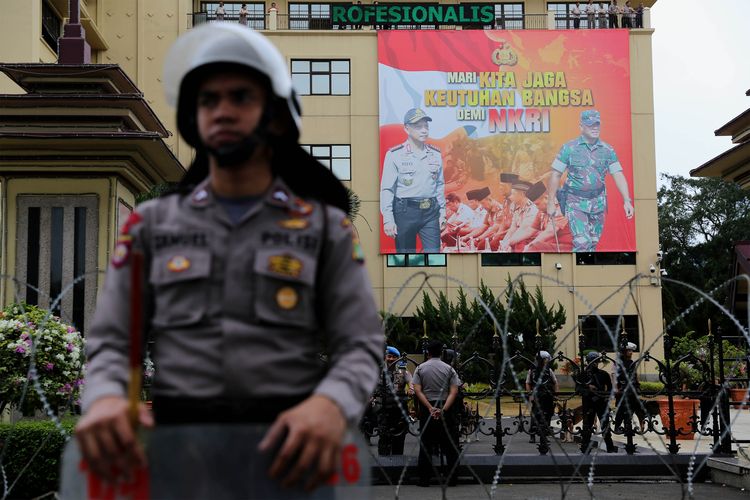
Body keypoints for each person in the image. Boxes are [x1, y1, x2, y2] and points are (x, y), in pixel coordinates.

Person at [75, 23, 383, 491]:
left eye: (240, 97)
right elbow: (113, 342)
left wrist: (332, 404)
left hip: (290, 455)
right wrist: (105, 400)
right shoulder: (151, 227)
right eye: (207, 100)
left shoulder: (325, 230)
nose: (221, 111)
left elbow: (360, 343)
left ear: (276, 117)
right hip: (179, 455)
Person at [546, 109, 633, 253]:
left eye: (597, 124)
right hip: (575, 202)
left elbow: (618, 174)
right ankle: (579, 274)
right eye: (590, 124)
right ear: (581, 127)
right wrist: (550, 203)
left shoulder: (607, 150)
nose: (595, 128)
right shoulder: (569, 148)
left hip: (598, 202)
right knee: (582, 243)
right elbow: (555, 175)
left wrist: (627, 200)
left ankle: (586, 273)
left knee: (593, 243)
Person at [380, 108, 445, 253]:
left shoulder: (435, 154)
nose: (424, 130)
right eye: (418, 127)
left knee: (434, 258)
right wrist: (388, 219)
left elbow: (439, 185)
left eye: (426, 126)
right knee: (406, 259)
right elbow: (387, 189)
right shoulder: (394, 155)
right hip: (404, 211)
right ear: (407, 128)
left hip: (431, 212)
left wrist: (443, 214)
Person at [413, 340, 460, 487]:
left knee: (426, 444)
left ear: (428, 352)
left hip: (428, 408)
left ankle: (424, 479)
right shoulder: (449, 369)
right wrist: (443, 409)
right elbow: (454, 392)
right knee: (450, 446)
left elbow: (417, 390)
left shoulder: (420, 369)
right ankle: (451, 479)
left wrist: (429, 408)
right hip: (445, 407)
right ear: (442, 353)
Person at [376, 346, 413, 456]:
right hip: (383, 408)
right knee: (383, 436)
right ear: (385, 357)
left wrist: (411, 388)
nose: (391, 359)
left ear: (399, 358)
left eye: (394, 357)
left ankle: (398, 461)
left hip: (399, 409)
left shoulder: (403, 371)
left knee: (399, 436)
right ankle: (383, 461)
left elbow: (411, 381)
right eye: (389, 356)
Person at [578, 352, 618, 453]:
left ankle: (610, 447)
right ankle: (585, 447)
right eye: (593, 361)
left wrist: (605, 398)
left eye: (596, 361)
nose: (595, 364)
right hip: (589, 403)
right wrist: (588, 387)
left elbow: (610, 389)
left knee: (605, 426)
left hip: (601, 403)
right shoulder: (583, 374)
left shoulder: (603, 374)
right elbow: (578, 389)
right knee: (587, 426)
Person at [612, 342, 646, 433]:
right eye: (629, 350)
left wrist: (638, 385)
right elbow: (614, 375)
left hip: (632, 389)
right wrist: (615, 388)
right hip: (621, 390)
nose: (631, 352)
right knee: (620, 409)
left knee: (632, 408)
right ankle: (617, 427)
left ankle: (628, 426)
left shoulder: (631, 362)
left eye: (631, 351)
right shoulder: (618, 362)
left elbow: (635, 374)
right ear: (624, 351)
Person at [526, 351, 559, 445]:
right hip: (537, 396)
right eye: (546, 359)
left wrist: (556, 394)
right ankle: (532, 435)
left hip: (548, 395)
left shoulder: (549, 370)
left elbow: (555, 382)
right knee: (535, 415)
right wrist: (530, 394)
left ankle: (544, 435)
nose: (547, 361)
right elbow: (528, 383)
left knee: (548, 415)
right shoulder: (532, 370)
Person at [496, 180, 539, 252]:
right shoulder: (517, 208)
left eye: (513, 194)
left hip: (531, 238)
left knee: (518, 245)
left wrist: (509, 243)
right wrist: (504, 242)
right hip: (520, 237)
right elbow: (513, 228)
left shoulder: (532, 208)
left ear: (522, 194)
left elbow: (523, 229)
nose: (510, 197)